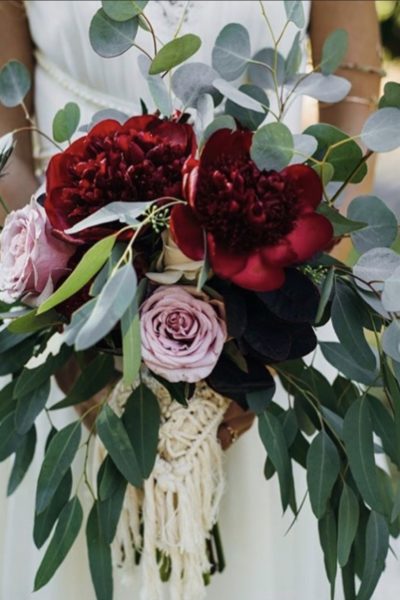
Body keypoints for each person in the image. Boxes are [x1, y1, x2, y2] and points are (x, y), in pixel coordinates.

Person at [0, 2, 386, 599]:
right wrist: (70, 313)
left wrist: (279, 312)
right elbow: (5, 127)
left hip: (272, 275)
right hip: (69, 287)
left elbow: (355, 78)